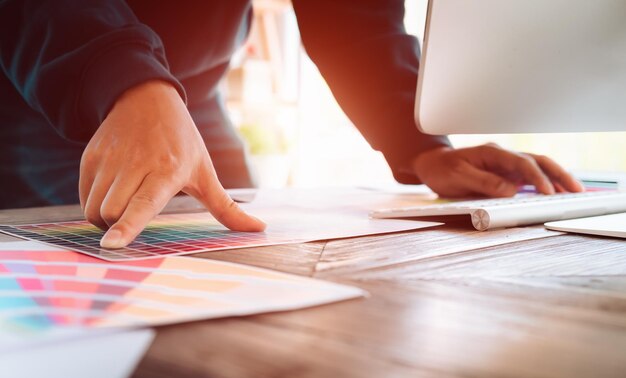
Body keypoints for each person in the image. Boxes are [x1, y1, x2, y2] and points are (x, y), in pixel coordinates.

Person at [0, 0, 583, 249]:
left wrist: (420, 142)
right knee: (66, 292)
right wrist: (121, 76)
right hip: (40, 88)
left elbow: (352, 13)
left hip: (192, 89)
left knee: (236, 254)